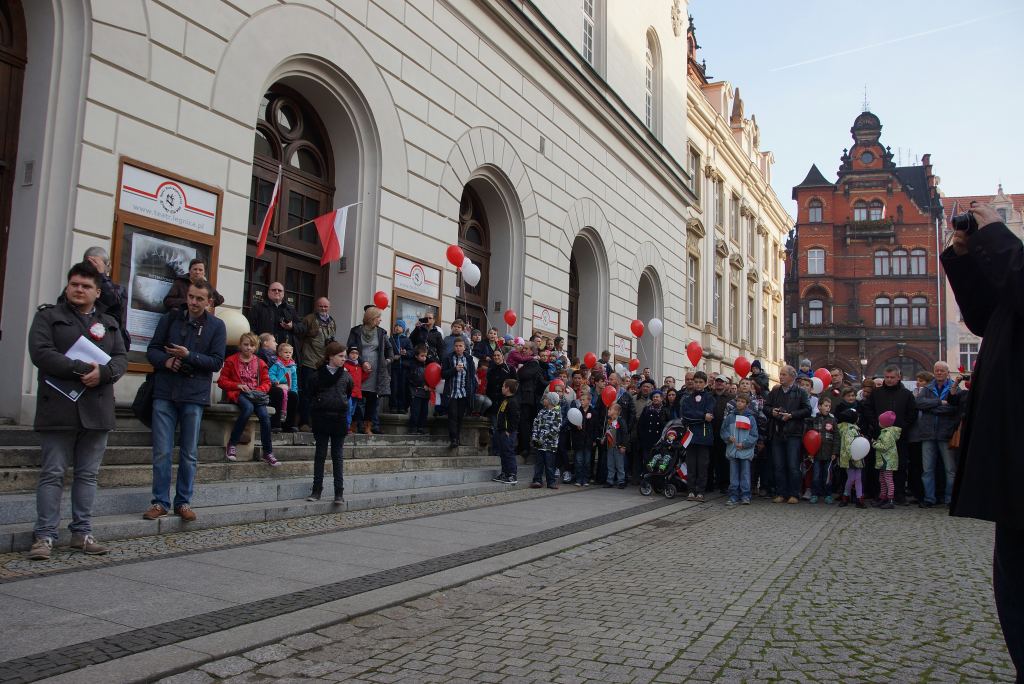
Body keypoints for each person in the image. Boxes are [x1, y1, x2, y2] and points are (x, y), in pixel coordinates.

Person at [942, 203, 1024, 680]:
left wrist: (997, 238)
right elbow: (987, 316)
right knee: (1013, 574)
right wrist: (967, 256)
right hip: (1012, 441)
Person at [26, 261, 128, 560]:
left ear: (97, 292)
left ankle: (82, 533)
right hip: (59, 407)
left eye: (86, 286)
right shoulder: (49, 316)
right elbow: (41, 353)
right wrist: (81, 368)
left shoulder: (109, 322)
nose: (79, 290)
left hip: (96, 409)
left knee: (88, 475)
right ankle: (44, 536)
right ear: (68, 286)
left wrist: (105, 373)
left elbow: (120, 358)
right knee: (53, 472)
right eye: (75, 285)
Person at [144, 279, 226, 522]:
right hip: (165, 391)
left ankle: (183, 501)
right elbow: (153, 350)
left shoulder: (217, 326)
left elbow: (216, 362)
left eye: (200, 299)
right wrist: (166, 361)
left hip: (194, 394)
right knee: (161, 451)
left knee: (189, 453)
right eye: (191, 297)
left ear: (209, 301)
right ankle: (160, 501)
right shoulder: (170, 318)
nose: (193, 302)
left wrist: (189, 356)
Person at [218, 332, 279, 467]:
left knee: (265, 416)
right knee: (248, 409)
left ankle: (268, 452)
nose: (248, 348)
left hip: (255, 395)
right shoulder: (231, 360)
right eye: (246, 345)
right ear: (240, 345)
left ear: (256, 347)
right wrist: (237, 385)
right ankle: (232, 444)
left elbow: (267, 382)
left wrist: (259, 390)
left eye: (252, 345)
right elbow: (222, 381)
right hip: (239, 393)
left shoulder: (260, 362)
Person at [304, 341, 354, 504]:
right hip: (322, 417)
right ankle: (316, 490)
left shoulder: (346, 376)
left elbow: (348, 391)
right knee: (320, 454)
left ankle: (339, 492)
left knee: (337, 455)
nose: (343, 359)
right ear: (330, 356)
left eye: (344, 357)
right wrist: (317, 406)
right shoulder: (317, 375)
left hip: (339, 418)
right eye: (340, 356)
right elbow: (309, 393)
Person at [913, 361, 960, 507]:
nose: (939, 373)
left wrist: (932, 407)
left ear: (947, 372)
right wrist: (940, 402)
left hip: (946, 434)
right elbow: (919, 404)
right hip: (928, 434)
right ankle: (929, 498)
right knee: (927, 470)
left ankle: (949, 499)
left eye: (942, 370)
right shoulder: (927, 388)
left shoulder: (955, 389)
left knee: (950, 469)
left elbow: (953, 408)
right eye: (936, 370)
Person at [868, 365, 917, 504]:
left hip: (899, 436)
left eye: (892, 377)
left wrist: (903, 427)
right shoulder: (876, 393)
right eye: (887, 377)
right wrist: (875, 424)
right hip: (880, 435)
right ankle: (882, 494)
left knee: (900, 466)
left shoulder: (906, 394)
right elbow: (869, 409)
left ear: (898, 377)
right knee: (881, 466)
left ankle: (899, 494)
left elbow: (912, 413)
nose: (889, 380)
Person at [765, 365, 812, 504]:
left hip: (794, 433)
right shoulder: (775, 391)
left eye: (784, 374)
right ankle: (781, 493)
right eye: (780, 374)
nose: (781, 377)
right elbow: (766, 407)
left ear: (792, 376)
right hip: (777, 432)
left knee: (792, 465)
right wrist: (772, 411)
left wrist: (791, 415)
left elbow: (807, 410)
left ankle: (794, 493)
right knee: (778, 465)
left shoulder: (800, 392)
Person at [346, 306, 393, 435]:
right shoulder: (356, 331)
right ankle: (354, 425)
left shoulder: (381, 332)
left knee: (372, 400)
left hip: (375, 372)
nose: (380, 320)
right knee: (356, 397)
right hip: (358, 369)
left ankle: (368, 426)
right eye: (378, 317)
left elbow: (390, 349)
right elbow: (350, 348)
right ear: (371, 318)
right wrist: (362, 361)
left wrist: (387, 361)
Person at [78, 246, 131, 350]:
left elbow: (114, 303)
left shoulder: (118, 290)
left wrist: (101, 276)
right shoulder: (76, 287)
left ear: (109, 266)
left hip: (108, 344)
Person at [298, 297, 337, 429]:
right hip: (309, 362)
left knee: (320, 394)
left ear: (329, 307)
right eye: (321, 306)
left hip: (323, 363)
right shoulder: (309, 319)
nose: (323, 309)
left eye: (325, 307)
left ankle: (317, 422)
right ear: (316, 306)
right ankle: (304, 422)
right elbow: (300, 336)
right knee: (306, 393)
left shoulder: (332, 321)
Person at [679, 370, 715, 502]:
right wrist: (701, 416)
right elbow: (686, 415)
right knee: (691, 465)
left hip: (704, 437)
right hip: (691, 437)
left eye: (701, 382)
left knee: (702, 465)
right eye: (696, 382)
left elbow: (709, 415)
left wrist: (699, 416)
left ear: (705, 384)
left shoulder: (709, 398)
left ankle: (700, 491)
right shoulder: (688, 399)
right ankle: (691, 490)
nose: (698, 384)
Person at [721, 392, 759, 506]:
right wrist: (728, 437)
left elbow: (754, 435)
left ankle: (745, 495)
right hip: (733, 450)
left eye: (742, 401)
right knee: (733, 475)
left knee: (745, 474)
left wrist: (744, 444)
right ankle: (733, 495)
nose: (739, 403)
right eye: (738, 401)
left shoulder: (751, 418)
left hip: (745, 451)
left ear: (747, 404)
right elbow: (723, 430)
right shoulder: (730, 417)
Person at [442, 336, 476, 449]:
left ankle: (457, 436)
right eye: (456, 346)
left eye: (460, 346)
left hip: (463, 392)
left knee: (460, 416)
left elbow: (471, 375)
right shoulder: (448, 358)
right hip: (451, 392)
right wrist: (454, 369)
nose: (458, 348)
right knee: (452, 415)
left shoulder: (469, 359)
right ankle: (454, 439)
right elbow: (443, 374)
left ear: (464, 347)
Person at [247, 281, 304, 347]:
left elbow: (302, 328)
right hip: (264, 349)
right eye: (274, 290)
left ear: (283, 293)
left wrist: (292, 326)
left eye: (279, 290)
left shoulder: (290, 310)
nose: (277, 292)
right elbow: (251, 328)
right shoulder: (258, 308)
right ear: (268, 292)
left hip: (285, 352)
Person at [806, 395, 838, 504]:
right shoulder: (813, 420)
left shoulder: (833, 421)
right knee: (816, 475)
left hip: (829, 453)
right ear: (819, 407)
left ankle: (828, 494)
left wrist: (835, 452)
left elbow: (836, 437)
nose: (828, 408)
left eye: (829, 406)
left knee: (828, 476)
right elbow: (809, 437)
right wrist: (810, 452)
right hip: (816, 454)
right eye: (825, 406)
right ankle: (815, 494)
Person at [529, 391, 562, 489]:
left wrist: (545, 438)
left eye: (546, 399)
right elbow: (535, 424)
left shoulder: (557, 413)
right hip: (539, 444)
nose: (544, 400)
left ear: (551, 401)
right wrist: (535, 437)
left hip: (550, 445)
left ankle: (551, 482)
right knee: (539, 463)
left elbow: (556, 429)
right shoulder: (541, 412)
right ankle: (537, 480)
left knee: (549, 464)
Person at [491, 379, 521, 484]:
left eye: (503, 386)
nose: (502, 388)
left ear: (508, 388)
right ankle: (505, 473)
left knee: (508, 453)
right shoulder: (506, 400)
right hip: (501, 431)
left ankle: (512, 475)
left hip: (508, 432)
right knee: (503, 453)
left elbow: (515, 418)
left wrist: (510, 430)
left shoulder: (513, 401)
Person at [268, 342, 299, 433]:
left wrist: (294, 390)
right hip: (276, 386)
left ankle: (289, 424)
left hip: (287, 388)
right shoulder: (276, 364)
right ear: (280, 353)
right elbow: (270, 374)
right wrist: (275, 381)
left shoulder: (293, 367)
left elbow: (294, 380)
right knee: (279, 393)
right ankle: (276, 423)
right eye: (286, 352)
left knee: (293, 396)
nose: (288, 354)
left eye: (290, 353)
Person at [873, 411, 901, 510]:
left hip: (887, 461)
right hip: (883, 461)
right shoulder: (884, 432)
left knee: (888, 480)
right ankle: (883, 497)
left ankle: (890, 499)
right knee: (882, 480)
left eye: (880, 421)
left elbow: (884, 447)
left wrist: (874, 443)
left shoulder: (888, 433)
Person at [570, 388, 598, 486]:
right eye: (580, 400)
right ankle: (578, 479)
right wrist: (576, 426)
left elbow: (595, 428)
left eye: (583, 400)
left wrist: (594, 439)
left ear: (589, 400)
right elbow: (572, 426)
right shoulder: (577, 412)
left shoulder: (593, 413)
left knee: (587, 461)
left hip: (589, 441)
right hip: (579, 441)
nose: (581, 402)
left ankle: (585, 479)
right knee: (578, 461)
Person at [388, 319, 412, 414]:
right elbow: (387, 352)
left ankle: (402, 406)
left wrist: (406, 353)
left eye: (400, 326)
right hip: (394, 367)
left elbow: (412, 352)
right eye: (396, 326)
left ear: (403, 328)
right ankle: (393, 406)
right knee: (394, 387)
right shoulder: (390, 339)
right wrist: (393, 357)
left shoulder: (407, 340)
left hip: (404, 368)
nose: (397, 327)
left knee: (403, 387)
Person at [603, 402, 628, 489]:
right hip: (610, 446)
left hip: (618, 447)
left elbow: (624, 434)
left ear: (617, 411)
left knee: (619, 465)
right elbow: (607, 432)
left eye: (610, 409)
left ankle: (621, 481)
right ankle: (610, 481)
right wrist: (604, 439)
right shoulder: (609, 420)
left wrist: (623, 446)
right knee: (610, 464)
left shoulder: (620, 421)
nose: (608, 411)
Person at [407, 345, 430, 435]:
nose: (424, 358)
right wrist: (422, 384)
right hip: (416, 391)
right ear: (416, 356)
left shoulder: (427, 364)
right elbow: (413, 378)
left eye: (425, 356)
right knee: (415, 411)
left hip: (425, 392)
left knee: (424, 411)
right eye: (422, 356)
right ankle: (413, 428)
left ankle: (421, 427)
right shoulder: (413, 365)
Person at [343, 346, 364, 433]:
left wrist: (367, 372)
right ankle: (346, 427)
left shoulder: (359, 367)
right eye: (352, 353)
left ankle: (348, 426)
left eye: (356, 353)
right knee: (348, 409)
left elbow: (362, 378)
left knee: (351, 411)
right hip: (349, 393)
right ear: (348, 354)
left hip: (356, 393)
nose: (354, 355)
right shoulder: (345, 365)